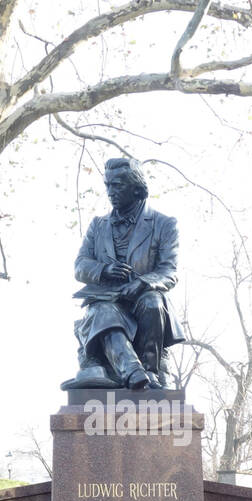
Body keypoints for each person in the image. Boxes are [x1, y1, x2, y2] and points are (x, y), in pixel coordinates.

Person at [61, 157, 184, 390]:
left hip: (142, 298)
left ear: (136, 188)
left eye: (117, 185)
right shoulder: (98, 225)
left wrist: (144, 283)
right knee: (104, 311)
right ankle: (134, 372)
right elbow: (80, 265)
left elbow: (169, 271)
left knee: (153, 302)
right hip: (106, 300)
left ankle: (150, 371)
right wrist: (103, 269)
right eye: (107, 185)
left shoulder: (164, 224)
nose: (110, 191)